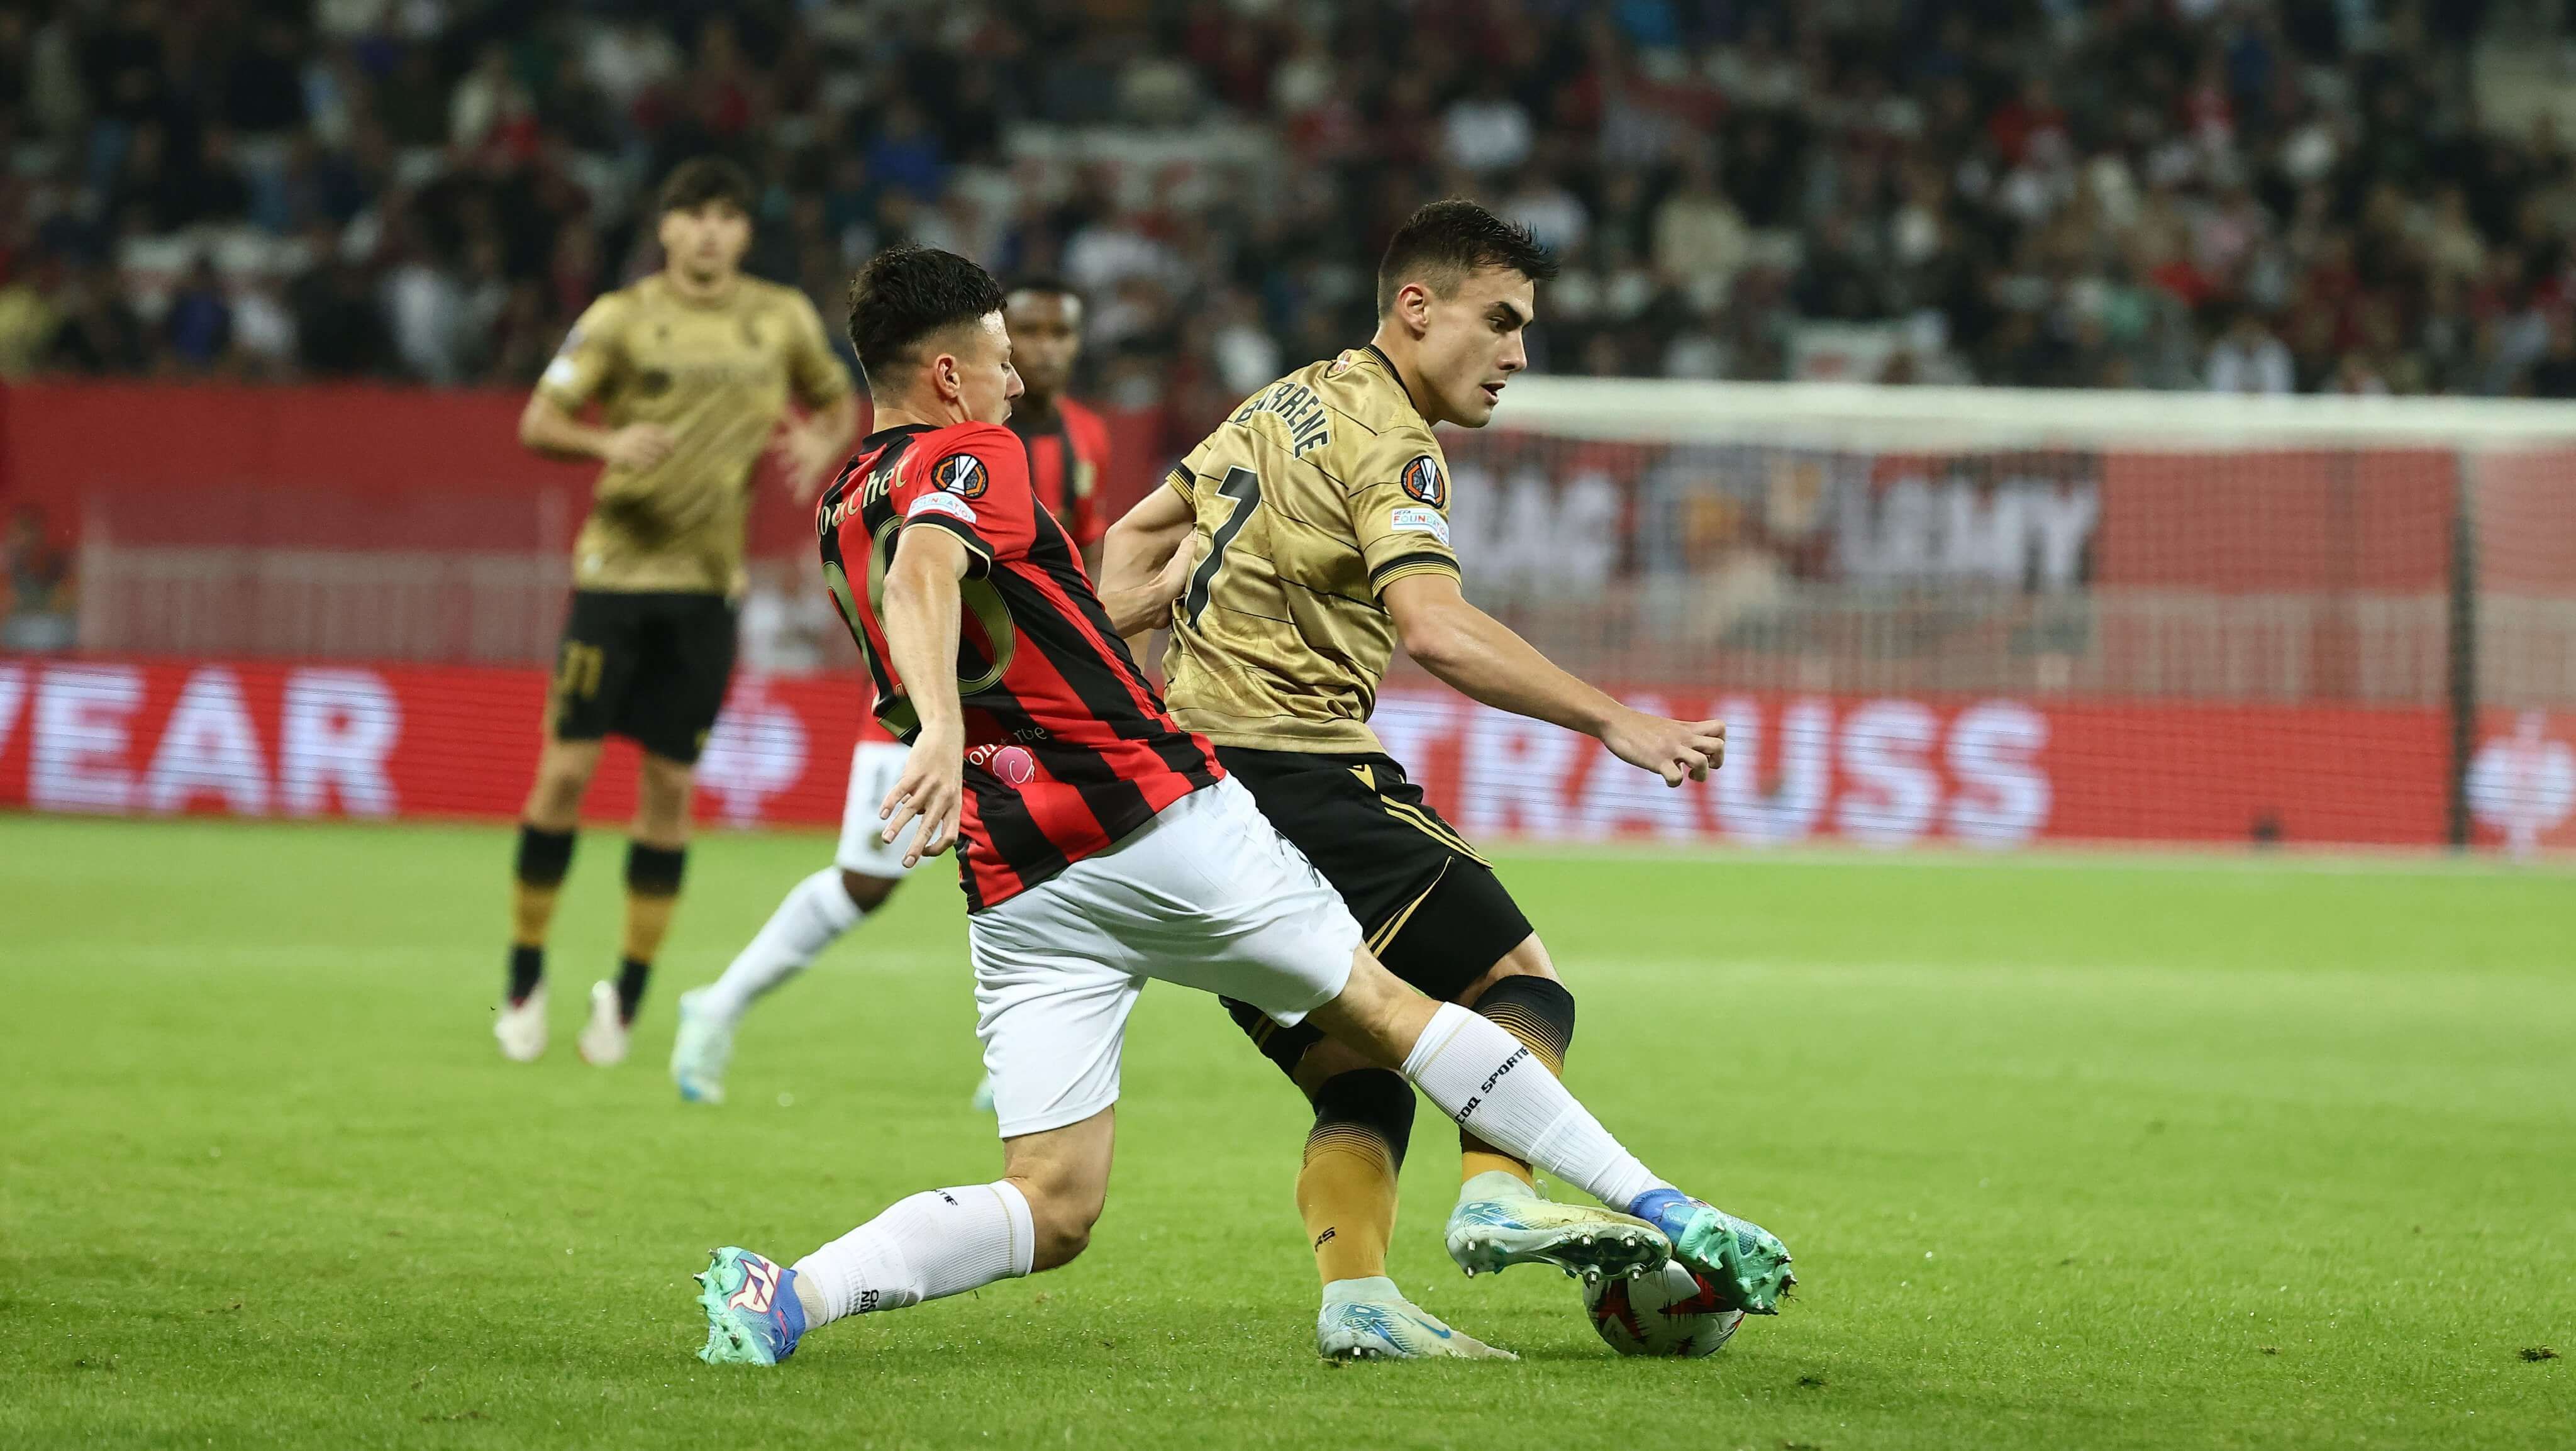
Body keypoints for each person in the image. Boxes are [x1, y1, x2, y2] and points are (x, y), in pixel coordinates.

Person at [691, 243, 1791, 1367]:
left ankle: (793, 1297)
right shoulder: (977, 451)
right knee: (1394, 1009)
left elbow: (1003, 612)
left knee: (1055, 1201)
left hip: (1017, 871)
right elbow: (930, 566)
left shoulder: (840, 500)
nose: (1018, 385)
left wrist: (1101, 616)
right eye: (1003, 361)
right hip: (1153, 816)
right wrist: (934, 724)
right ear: (947, 377)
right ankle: (1663, 1211)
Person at [1094, 199, 1745, 1358]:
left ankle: (1359, 1305)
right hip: (1301, 771)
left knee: (1360, 1072)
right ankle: (1498, 1192)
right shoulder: (1397, 441)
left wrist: (1151, 640)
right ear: (1416, 305)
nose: (1519, 355)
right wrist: (1615, 721)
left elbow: (1135, 543)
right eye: (1499, 321)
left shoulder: (1276, 403)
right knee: (1523, 986)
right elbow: (1436, 632)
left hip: (1190, 795)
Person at [663, 281, 1113, 1106]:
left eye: (1060, 334)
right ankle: (718, 1002)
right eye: (1027, 335)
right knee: (868, 878)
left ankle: (1030, 1061)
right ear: (963, 360)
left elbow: (1081, 563)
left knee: (1070, 861)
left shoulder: (1083, 440)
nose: (1043, 352)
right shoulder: (928, 451)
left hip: (1041, 706)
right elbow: (909, 575)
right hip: (939, 700)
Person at [494, 158, 859, 1067]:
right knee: (565, 777)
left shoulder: (779, 318)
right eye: (692, 214)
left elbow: (839, 397)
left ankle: (626, 994)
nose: (707, 231)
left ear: (743, 232)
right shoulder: (621, 319)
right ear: (665, 229)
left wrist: (821, 434)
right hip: (613, 578)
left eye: (726, 216)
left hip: (706, 590)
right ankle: (525, 974)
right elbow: (540, 420)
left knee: (667, 790)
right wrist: (605, 438)